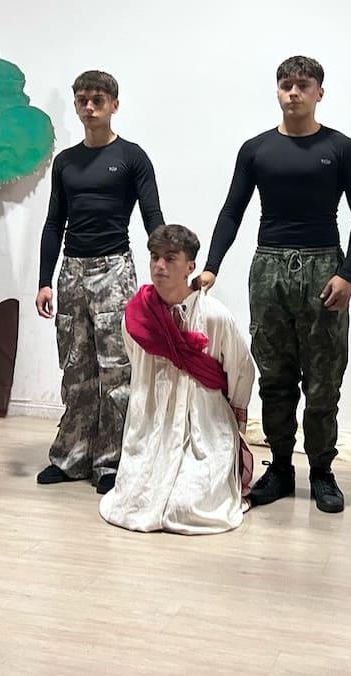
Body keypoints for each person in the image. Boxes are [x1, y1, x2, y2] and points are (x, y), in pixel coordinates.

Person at [195, 55, 351, 514]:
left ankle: (322, 471)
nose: (293, 92)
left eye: (303, 85)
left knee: (323, 380)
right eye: (285, 85)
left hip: (323, 268)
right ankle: (279, 467)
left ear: (320, 92)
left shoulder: (341, 149)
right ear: (277, 91)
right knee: (275, 377)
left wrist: (347, 273)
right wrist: (212, 265)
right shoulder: (256, 150)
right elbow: (232, 211)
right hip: (269, 267)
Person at [36, 70, 164, 495]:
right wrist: (44, 280)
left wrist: (166, 268)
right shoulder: (66, 162)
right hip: (72, 270)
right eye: (82, 101)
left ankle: (110, 461)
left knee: (116, 371)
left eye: (97, 100)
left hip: (115, 271)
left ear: (114, 105)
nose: (89, 108)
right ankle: (71, 457)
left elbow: (152, 216)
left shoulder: (131, 157)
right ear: (76, 105)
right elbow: (54, 222)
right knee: (76, 367)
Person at [100, 224, 255, 534]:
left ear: (190, 266)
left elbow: (241, 368)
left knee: (186, 507)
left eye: (170, 258)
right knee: (134, 501)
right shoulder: (136, 315)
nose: (160, 265)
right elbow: (136, 360)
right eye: (154, 257)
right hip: (151, 423)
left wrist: (236, 413)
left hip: (203, 425)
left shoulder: (213, 315)